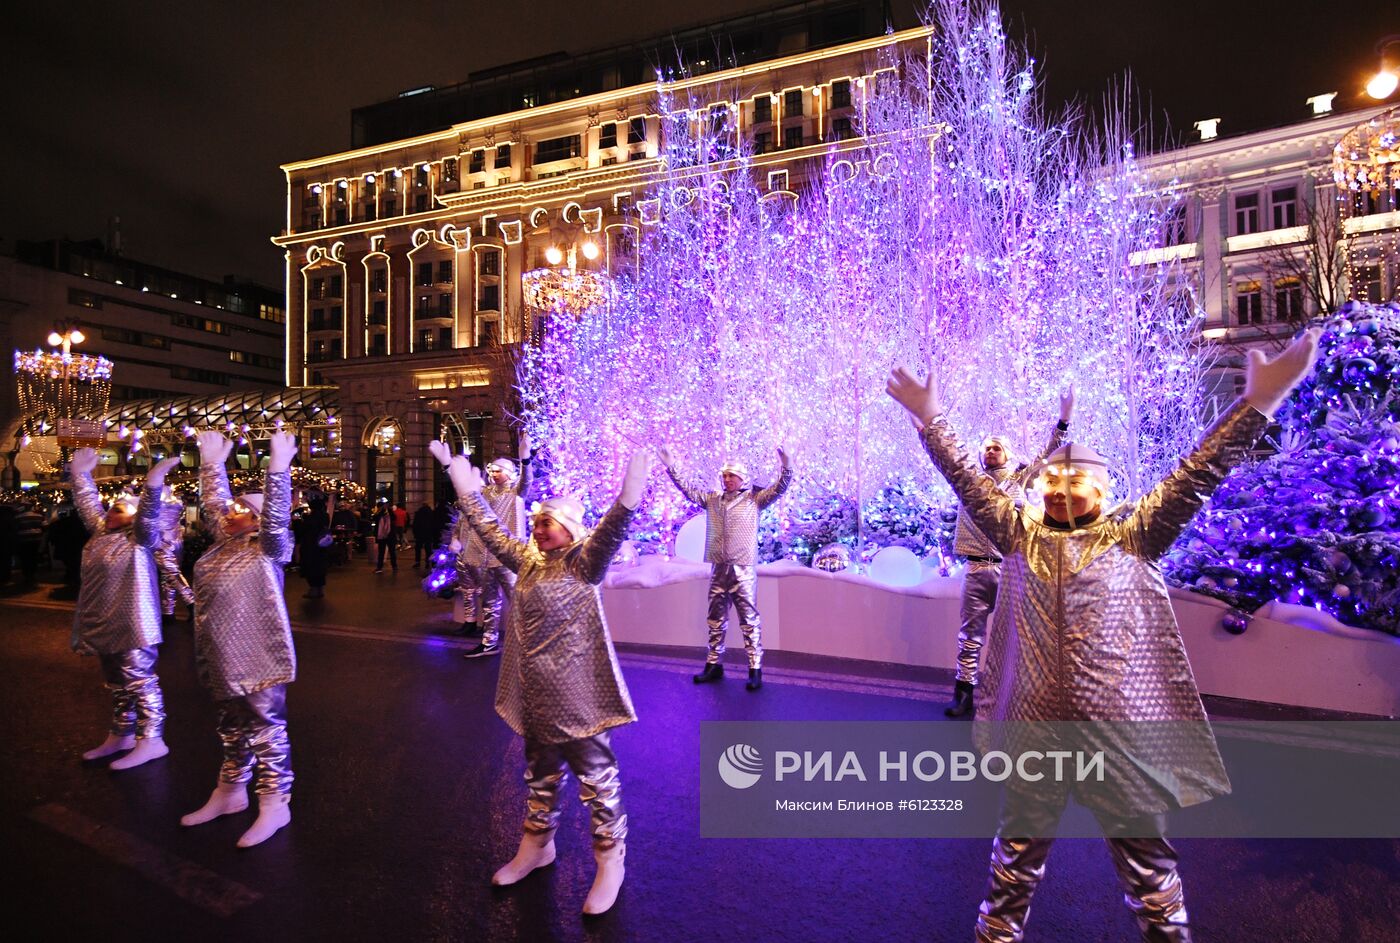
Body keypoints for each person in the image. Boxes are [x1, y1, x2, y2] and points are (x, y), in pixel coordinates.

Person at [885, 329, 1321, 943]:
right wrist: (932, 421)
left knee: (1148, 868)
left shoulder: (1135, 535)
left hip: (1119, 733)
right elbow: (968, 481)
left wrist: (1256, 406)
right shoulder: (1018, 536)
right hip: (1037, 730)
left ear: (1101, 490)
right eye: (1052, 486)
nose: (1060, 493)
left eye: (1075, 484)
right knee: (1013, 865)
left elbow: (1199, 471)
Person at [431, 440, 649, 916]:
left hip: (578, 698)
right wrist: (463, 483)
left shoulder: (583, 563)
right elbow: (488, 529)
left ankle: (611, 859)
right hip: (534, 693)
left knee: (597, 779)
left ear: (570, 529)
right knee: (541, 775)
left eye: (546, 522)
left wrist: (629, 495)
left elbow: (611, 532)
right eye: (535, 523)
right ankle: (537, 846)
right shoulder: (527, 561)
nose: (537, 528)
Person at [180, 430, 299, 848]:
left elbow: (279, 518)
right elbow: (213, 505)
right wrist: (211, 464)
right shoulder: (219, 547)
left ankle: (274, 802)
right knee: (231, 728)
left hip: (260, 658)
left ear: (258, 519)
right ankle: (229, 792)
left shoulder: (268, 548)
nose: (229, 515)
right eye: (230, 510)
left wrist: (278, 470)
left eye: (241, 511)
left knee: (266, 729)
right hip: (219, 657)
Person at [945, 389, 1073, 718]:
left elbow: (1049, 455)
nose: (990, 451)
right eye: (986, 447)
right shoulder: (969, 483)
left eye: (996, 447)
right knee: (970, 635)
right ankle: (964, 692)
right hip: (975, 569)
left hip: (1008, 568)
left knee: (1015, 638)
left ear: (1006, 453)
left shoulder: (1020, 478)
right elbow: (946, 457)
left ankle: (1011, 698)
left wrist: (1063, 420)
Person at [68, 448, 182, 769]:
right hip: (104, 621)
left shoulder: (139, 538)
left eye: (117, 508)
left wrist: (154, 484)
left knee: (141, 681)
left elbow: (147, 515)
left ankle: (152, 739)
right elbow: (88, 503)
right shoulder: (103, 532)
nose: (108, 512)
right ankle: (121, 734)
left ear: (133, 517)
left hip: (134, 623)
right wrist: (80, 475)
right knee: (117, 682)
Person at [657, 445, 793, 690]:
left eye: (732, 476)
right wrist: (671, 468)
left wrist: (787, 467)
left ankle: (755, 668)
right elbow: (687, 489)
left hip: (743, 569)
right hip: (719, 568)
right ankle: (714, 664)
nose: (727, 479)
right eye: (725, 476)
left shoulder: (754, 500)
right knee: (715, 619)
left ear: (742, 479)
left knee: (749, 620)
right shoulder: (712, 500)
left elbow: (780, 489)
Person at [450, 435, 532, 657]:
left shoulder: (516, 493)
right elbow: (469, 507)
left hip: (509, 557)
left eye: (499, 471)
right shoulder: (485, 493)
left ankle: (528, 644)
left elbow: (526, 481)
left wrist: (525, 460)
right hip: (486, 556)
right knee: (489, 602)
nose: (494, 474)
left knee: (518, 600)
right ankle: (489, 642)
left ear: (510, 473)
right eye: (492, 471)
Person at [153, 492, 195, 620]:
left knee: (171, 574)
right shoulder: (176, 504)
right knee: (169, 576)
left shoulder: (157, 504)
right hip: (175, 541)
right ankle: (168, 611)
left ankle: (191, 601)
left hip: (162, 542)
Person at [295, 496, 331, 598]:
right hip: (322, 545)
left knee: (311, 567)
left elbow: (302, 529)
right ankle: (320, 589)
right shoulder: (325, 516)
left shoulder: (311, 517)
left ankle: (313, 589)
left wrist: (297, 520)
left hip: (310, 546)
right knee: (320, 567)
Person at [13, 499, 45, 586]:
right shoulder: (39, 516)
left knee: (25, 558)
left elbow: (15, 529)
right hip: (36, 539)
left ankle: (27, 575)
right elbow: (44, 526)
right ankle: (32, 574)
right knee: (33, 557)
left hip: (24, 540)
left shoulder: (18, 517)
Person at [373, 499, 398, 573]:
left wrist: (389, 510)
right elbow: (375, 519)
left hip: (390, 535)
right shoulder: (379, 514)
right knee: (381, 552)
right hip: (382, 536)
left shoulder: (390, 513)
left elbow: (394, 518)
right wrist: (379, 511)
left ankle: (394, 566)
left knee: (392, 552)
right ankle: (379, 567)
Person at [411, 502, 437, 567]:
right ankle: (427, 562)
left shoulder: (418, 513)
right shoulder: (432, 513)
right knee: (428, 548)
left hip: (420, 534)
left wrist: (415, 533)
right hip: (428, 533)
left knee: (418, 548)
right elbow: (434, 524)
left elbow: (415, 524)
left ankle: (417, 562)